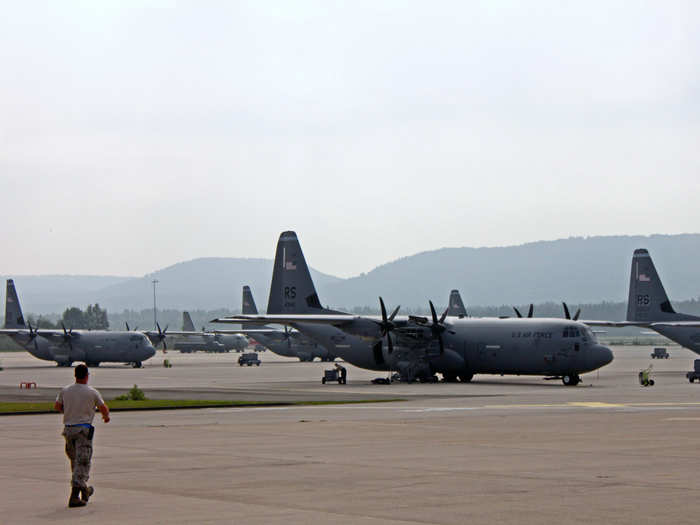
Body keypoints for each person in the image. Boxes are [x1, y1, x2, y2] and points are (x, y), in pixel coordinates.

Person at [54, 364, 110, 508]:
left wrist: (70, 413)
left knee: (76, 462)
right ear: (87, 375)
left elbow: (57, 406)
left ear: (75, 375)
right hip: (82, 432)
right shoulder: (92, 392)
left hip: (69, 431)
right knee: (83, 463)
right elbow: (103, 407)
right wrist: (106, 416)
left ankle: (84, 490)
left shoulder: (65, 391)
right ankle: (74, 497)